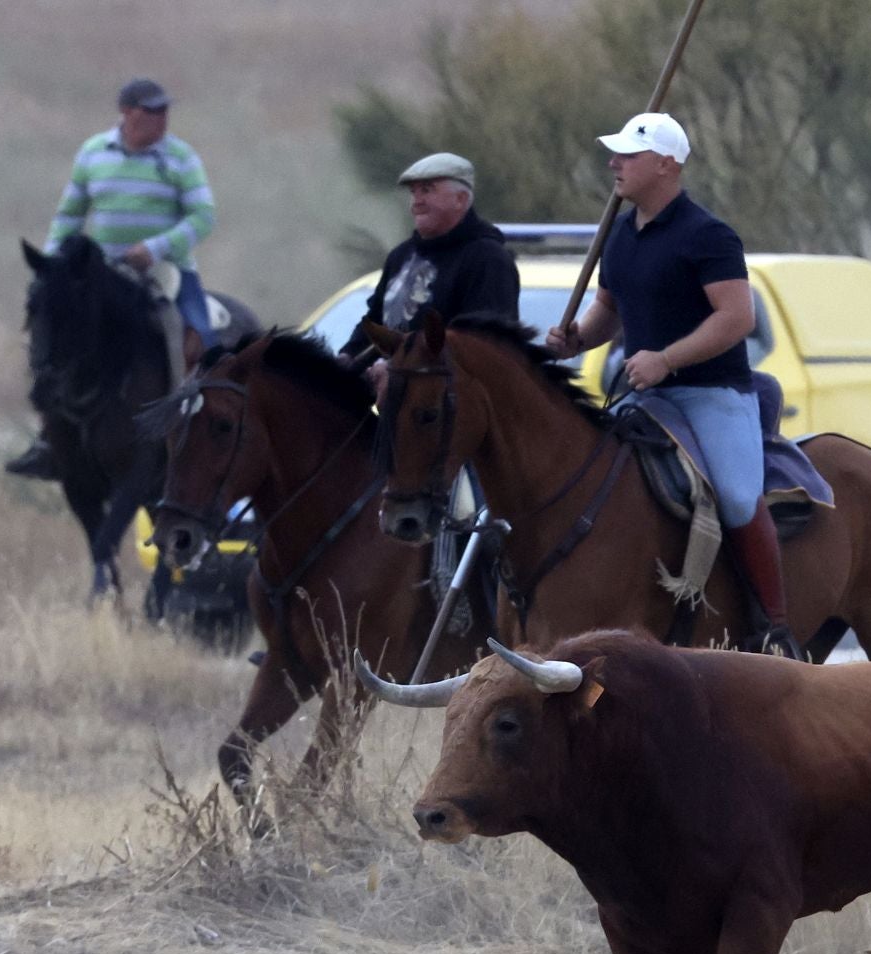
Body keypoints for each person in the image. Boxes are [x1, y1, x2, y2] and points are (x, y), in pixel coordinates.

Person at [544, 114, 800, 661]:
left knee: (735, 496)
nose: (614, 163)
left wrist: (666, 359)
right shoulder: (619, 234)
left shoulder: (707, 235)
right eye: (614, 155)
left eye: (627, 156)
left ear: (666, 164)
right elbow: (608, 312)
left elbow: (735, 318)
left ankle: (774, 627)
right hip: (645, 397)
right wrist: (576, 341)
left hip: (713, 394)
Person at [7, 77, 218, 479]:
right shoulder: (93, 153)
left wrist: (154, 248)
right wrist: (55, 266)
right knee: (58, 335)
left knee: (197, 336)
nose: (161, 118)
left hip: (165, 270)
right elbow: (70, 214)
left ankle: (190, 426)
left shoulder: (180, 158)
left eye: (163, 110)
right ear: (127, 113)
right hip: (99, 272)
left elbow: (203, 217)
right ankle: (50, 437)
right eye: (151, 110)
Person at [341, 153, 521, 396]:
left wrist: (396, 371)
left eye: (427, 190)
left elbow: (481, 345)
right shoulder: (401, 256)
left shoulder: (487, 259)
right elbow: (375, 321)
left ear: (461, 199)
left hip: (450, 413)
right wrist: (346, 359)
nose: (416, 202)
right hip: (396, 403)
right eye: (413, 192)